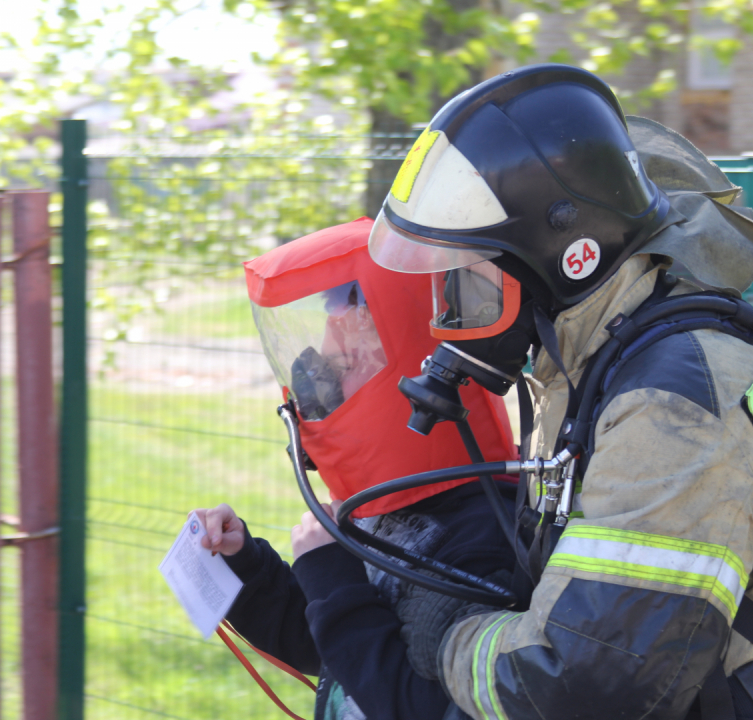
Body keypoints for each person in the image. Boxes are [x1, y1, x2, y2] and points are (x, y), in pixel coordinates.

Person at [368, 64, 753, 720]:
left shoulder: (671, 405)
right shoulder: (589, 365)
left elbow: (580, 688)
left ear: (561, 253)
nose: (448, 317)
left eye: (465, 280)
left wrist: (449, 636)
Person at [194, 218, 523, 720]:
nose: (312, 397)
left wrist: (330, 575)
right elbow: (330, 645)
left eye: (345, 366)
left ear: (417, 377)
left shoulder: (483, 538)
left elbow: (417, 704)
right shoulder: (382, 507)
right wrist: (245, 565)